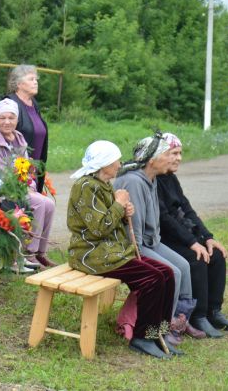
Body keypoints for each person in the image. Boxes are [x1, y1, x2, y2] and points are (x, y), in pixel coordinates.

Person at [67, 140, 177, 359]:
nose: (119, 165)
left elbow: (109, 220)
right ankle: (142, 337)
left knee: (166, 273)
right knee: (152, 278)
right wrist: (118, 204)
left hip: (110, 251)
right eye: (115, 160)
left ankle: (157, 334)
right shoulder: (85, 187)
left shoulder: (103, 183)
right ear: (104, 163)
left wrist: (124, 209)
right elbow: (98, 229)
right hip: (91, 254)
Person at [157, 133, 228, 338]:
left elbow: (187, 209)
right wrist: (193, 242)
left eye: (180, 153)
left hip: (181, 234)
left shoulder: (171, 178)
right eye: (174, 153)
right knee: (197, 258)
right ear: (160, 155)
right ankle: (198, 316)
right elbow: (165, 219)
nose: (179, 158)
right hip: (164, 238)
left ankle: (214, 312)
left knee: (216, 254)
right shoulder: (155, 181)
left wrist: (207, 237)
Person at [113, 133, 194, 332]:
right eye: (168, 154)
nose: (175, 159)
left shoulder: (152, 178)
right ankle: (159, 328)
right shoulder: (134, 181)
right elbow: (134, 238)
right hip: (131, 247)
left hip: (150, 241)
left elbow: (153, 225)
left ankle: (178, 320)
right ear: (152, 160)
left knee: (183, 265)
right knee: (172, 272)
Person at [0, 99, 56, 268]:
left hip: (21, 187)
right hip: (5, 190)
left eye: (11, 118)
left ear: (17, 119)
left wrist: (31, 186)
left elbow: (28, 168)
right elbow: (1, 173)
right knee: (40, 202)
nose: (7, 122)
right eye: (3, 118)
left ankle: (41, 252)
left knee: (49, 203)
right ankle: (29, 251)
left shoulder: (19, 138)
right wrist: (22, 188)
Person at [6, 65, 48, 168]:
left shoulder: (34, 103)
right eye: (31, 79)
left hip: (36, 169)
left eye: (36, 79)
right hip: (17, 170)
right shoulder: (10, 104)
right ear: (19, 84)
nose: (35, 82)